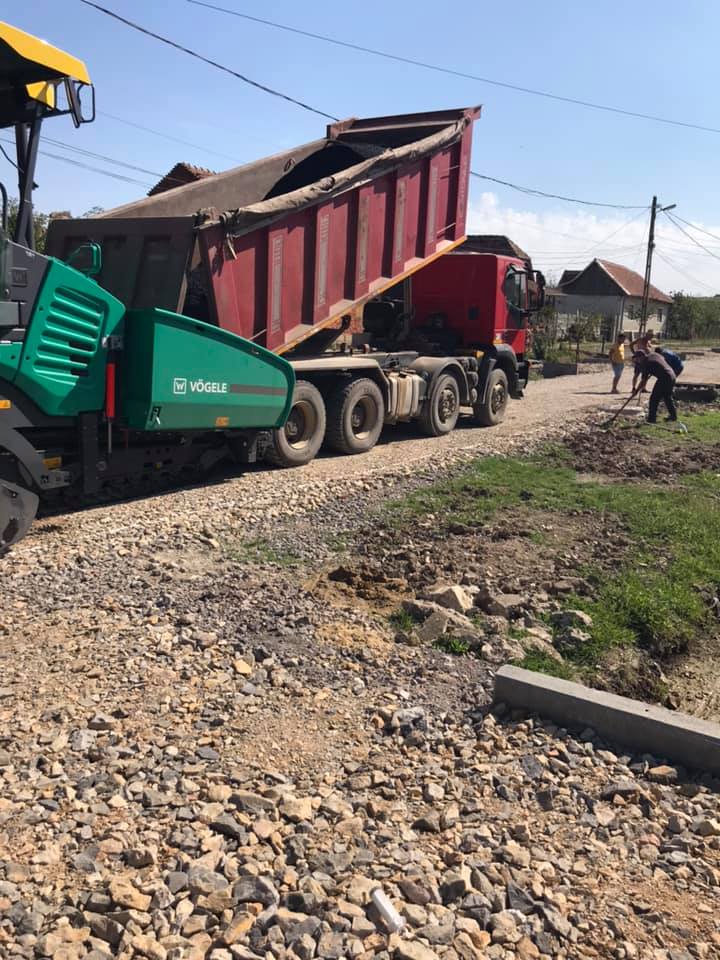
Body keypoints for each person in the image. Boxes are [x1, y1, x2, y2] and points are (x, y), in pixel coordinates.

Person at [633, 349, 677, 422]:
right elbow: (662, 358)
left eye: (637, 359)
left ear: (642, 357)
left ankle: (651, 419)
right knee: (667, 397)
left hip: (664, 378)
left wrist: (636, 391)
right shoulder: (653, 354)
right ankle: (673, 416)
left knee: (654, 399)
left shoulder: (646, 363)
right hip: (672, 375)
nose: (637, 361)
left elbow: (643, 380)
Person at [631, 329, 655, 393]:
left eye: (652, 336)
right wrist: (634, 353)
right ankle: (633, 388)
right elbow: (631, 344)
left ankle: (643, 388)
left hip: (646, 360)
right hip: (639, 360)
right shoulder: (640, 339)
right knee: (636, 374)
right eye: (651, 336)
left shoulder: (648, 341)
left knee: (645, 375)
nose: (651, 337)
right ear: (647, 335)